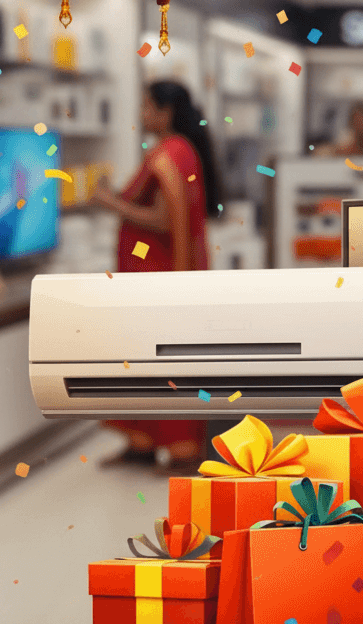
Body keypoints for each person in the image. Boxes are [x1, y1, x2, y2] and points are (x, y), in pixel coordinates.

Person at [91, 80, 220, 470]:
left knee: (160, 360)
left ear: (164, 112)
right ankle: (142, 442)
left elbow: (164, 220)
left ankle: (179, 448)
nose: (142, 114)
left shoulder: (170, 153)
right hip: (152, 273)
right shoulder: (177, 151)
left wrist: (109, 202)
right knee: (142, 359)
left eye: (147, 107)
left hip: (159, 276)